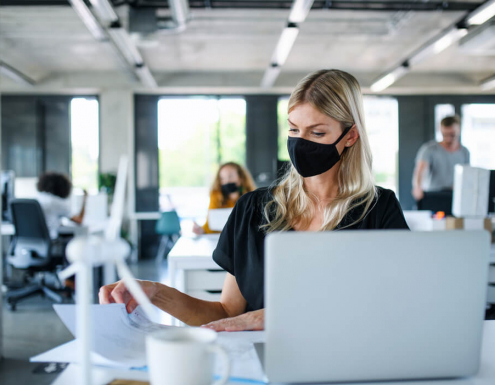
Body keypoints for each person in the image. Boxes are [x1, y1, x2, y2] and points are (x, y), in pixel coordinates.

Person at [99, 69, 409, 332]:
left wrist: (274, 318)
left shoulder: (379, 210)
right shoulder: (252, 209)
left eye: (316, 133)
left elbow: (392, 311)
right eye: (293, 129)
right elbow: (228, 314)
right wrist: (155, 293)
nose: (300, 143)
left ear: (350, 136)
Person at [412, 115, 470, 201]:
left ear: (459, 130)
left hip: (455, 195)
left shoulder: (464, 152)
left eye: (452, 135)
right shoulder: (430, 149)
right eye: (445, 135)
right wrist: (417, 187)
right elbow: (420, 170)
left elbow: (467, 174)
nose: (448, 139)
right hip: (434, 195)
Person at [192, 162, 256, 235]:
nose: (227, 181)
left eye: (230, 176)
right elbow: (210, 225)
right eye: (222, 178)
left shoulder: (251, 197)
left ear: (241, 178)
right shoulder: (216, 196)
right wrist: (200, 230)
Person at [36, 172, 87, 239]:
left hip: (31, 241)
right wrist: (85, 199)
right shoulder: (56, 201)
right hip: (50, 240)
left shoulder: (38, 197)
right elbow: (79, 220)